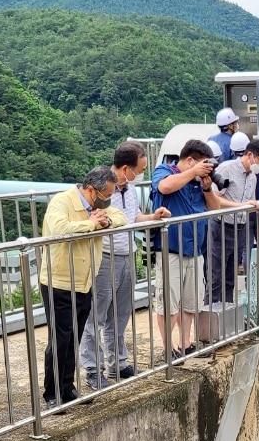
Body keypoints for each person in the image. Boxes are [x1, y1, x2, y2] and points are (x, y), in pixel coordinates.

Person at [79, 141, 169, 390]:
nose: (138, 175)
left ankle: (118, 362)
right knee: (96, 315)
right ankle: (92, 368)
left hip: (126, 252)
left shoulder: (128, 189)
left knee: (120, 314)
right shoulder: (101, 188)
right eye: (137, 170)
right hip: (105, 256)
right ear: (125, 167)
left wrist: (152, 217)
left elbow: (133, 217)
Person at [39, 167, 126, 405]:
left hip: (85, 280)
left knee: (74, 336)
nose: (108, 199)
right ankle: (53, 393)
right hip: (60, 281)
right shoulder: (62, 201)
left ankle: (67, 387)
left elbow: (120, 216)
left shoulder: (99, 207)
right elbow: (60, 229)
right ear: (91, 190)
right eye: (105, 194)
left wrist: (104, 220)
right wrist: (90, 224)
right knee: (60, 338)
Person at [150, 140, 230, 357]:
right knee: (168, 303)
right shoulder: (165, 170)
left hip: (195, 249)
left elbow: (213, 208)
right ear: (190, 160)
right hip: (170, 250)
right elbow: (164, 187)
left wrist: (206, 187)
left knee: (190, 302)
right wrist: (193, 171)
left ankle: (186, 344)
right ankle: (168, 350)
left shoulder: (197, 182)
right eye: (203, 164)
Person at [207, 138, 259, 303]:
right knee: (216, 276)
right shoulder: (227, 169)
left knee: (231, 277)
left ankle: (227, 315)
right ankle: (211, 319)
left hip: (240, 227)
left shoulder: (253, 177)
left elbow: (250, 201)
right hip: (221, 225)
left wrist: (257, 204)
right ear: (250, 155)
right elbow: (213, 199)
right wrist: (241, 205)